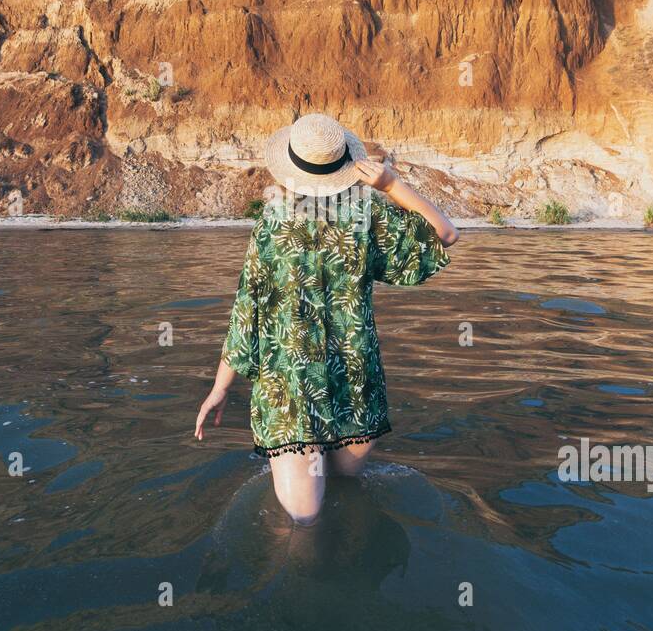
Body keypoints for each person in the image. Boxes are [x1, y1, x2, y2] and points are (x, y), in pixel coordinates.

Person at [195, 113, 459, 525]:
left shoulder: (271, 226)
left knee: (304, 522)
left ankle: (297, 582)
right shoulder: (369, 216)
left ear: (290, 166)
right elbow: (445, 234)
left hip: (290, 390)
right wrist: (392, 185)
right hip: (354, 384)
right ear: (343, 165)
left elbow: (247, 313)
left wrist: (220, 388)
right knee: (347, 497)